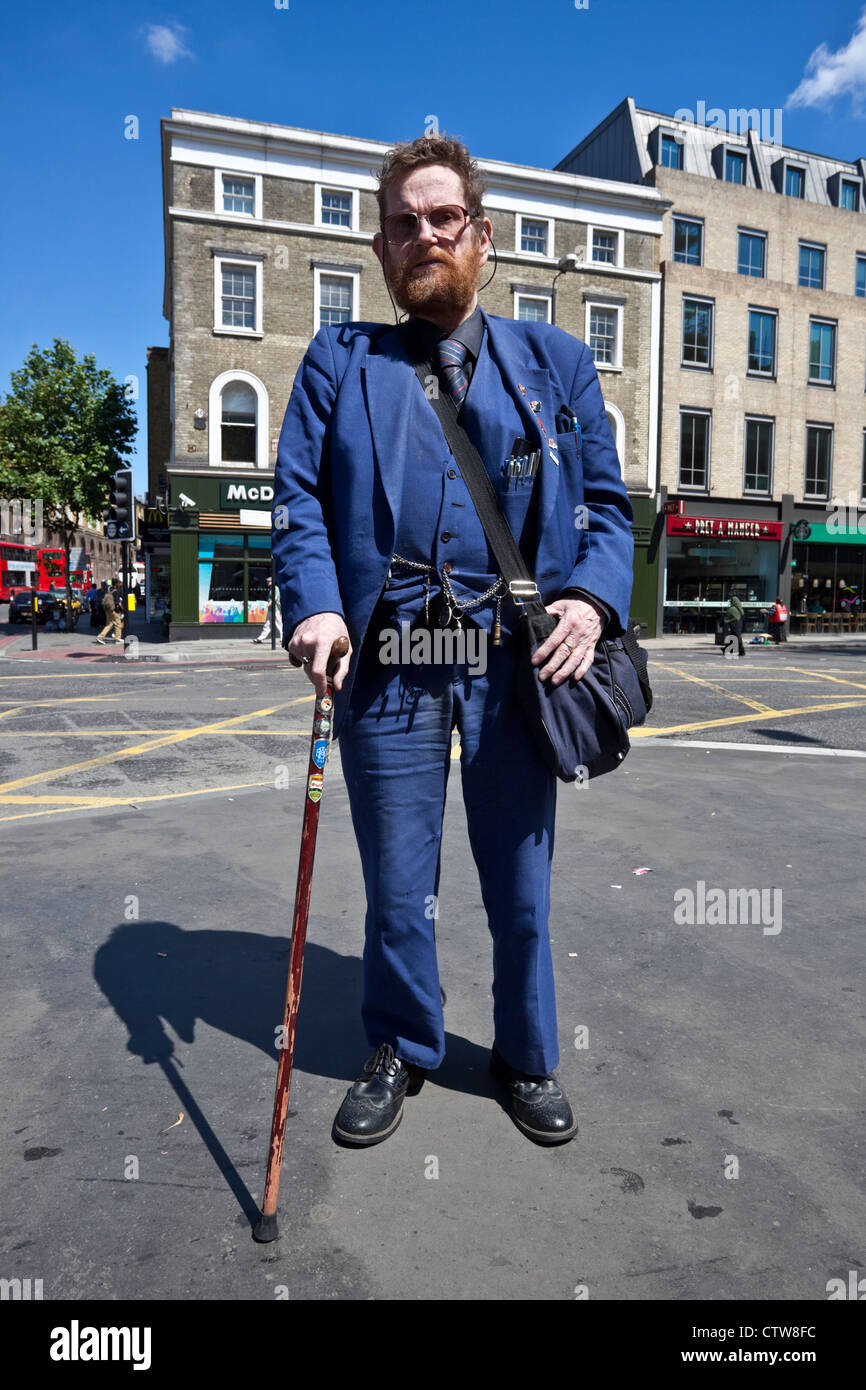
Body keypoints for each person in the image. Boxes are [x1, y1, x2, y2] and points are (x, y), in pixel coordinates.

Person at [272, 133, 633, 1148]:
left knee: (519, 886)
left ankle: (524, 1052)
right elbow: (297, 499)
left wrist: (589, 604)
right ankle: (400, 1042)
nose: (423, 234)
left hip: (514, 667)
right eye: (402, 222)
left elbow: (608, 509)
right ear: (382, 247)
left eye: (442, 217)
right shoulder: (338, 362)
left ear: (479, 233)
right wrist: (317, 604)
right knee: (396, 886)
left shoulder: (554, 361)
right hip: (386, 663)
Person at [252, 577, 283, 644]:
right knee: (267, 624)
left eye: (269, 581)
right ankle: (260, 638)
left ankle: (282, 639)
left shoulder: (275, 588)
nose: (268, 583)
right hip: (271, 609)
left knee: (279, 624)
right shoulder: (271, 589)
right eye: (267, 581)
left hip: (275, 609)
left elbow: (275, 598)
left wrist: (266, 605)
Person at [722, 593, 745, 657]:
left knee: (733, 637)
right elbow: (740, 616)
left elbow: (727, 617)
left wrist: (726, 621)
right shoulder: (740, 608)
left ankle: (739, 650)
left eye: (731, 601)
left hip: (733, 624)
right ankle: (730, 649)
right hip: (739, 624)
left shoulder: (732, 609)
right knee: (735, 637)